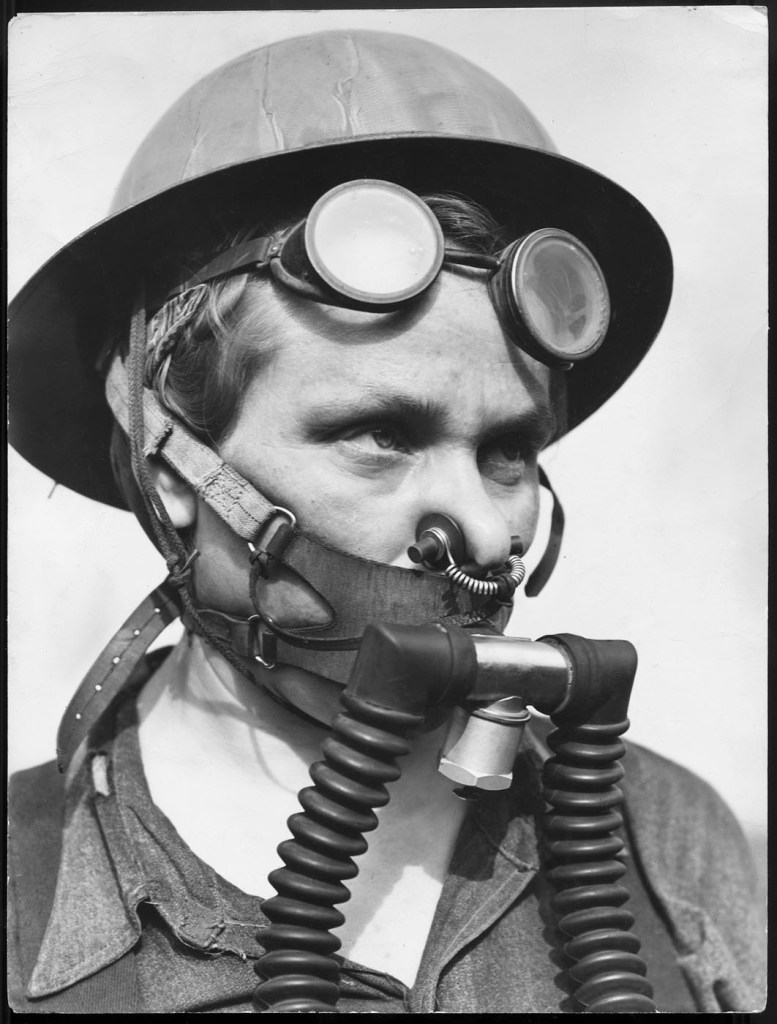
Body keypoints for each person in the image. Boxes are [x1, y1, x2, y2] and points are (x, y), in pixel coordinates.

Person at [7, 25, 765, 1014]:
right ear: (170, 458)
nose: (485, 533)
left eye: (506, 451)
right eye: (380, 435)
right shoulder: (26, 889)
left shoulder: (668, 845)